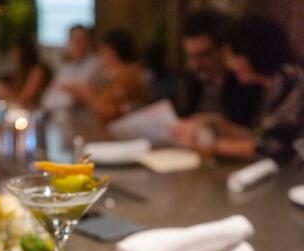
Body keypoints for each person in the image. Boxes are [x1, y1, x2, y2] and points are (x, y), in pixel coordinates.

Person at [174, 14, 303, 163]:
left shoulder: (289, 79)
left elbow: (273, 148)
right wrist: (219, 125)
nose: (229, 63)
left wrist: (210, 145)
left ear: (250, 53)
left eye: (232, 55)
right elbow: (264, 136)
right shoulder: (277, 81)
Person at [174, 8, 262, 126]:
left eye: (203, 55)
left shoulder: (246, 81)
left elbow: (260, 136)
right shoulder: (193, 80)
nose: (194, 65)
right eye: (190, 56)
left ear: (224, 49)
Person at [63, 29, 149, 124]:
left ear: (112, 52)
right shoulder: (125, 73)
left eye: (103, 51)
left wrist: (87, 95)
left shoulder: (127, 76)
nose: (100, 57)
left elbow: (111, 113)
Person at [0, 38, 51, 108]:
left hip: (33, 113)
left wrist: (2, 90)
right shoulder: (20, 71)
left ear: (23, 52)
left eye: (15, 51)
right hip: (19, 112)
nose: (12, 55)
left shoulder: (37, 71)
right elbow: (14, 94)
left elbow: (24, 100)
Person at [43, 24, 102, 110]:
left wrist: (65, 88)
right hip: (58, 120)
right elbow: (47, 100)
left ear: (89, 41)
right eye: (74, 40)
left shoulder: (96, 65)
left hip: (84, 122)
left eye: (81, 40)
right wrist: (72, 89)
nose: (77, 44)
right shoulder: (65, 67)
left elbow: (71, 102)